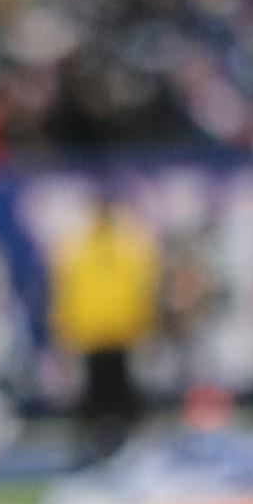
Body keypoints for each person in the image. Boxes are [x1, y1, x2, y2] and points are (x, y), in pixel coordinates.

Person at [48, 190, 158, 464]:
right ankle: (91, 453)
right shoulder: (80, 248)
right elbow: (68, 290)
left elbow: (141, 289)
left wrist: (142, 323)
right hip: (94, 333)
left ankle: (130, 451)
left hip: (119, 333)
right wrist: (65, 326)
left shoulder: (127, 246)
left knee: (122, 396)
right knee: (94, 398)